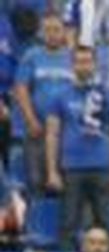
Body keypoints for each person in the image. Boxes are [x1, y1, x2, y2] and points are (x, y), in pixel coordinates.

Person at [46, 45, 109, 250]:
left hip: (102, 167)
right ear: (72, 65)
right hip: (72, 168)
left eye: (87, 61)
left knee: (107, 226)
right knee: (69, 225)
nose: (84, 66)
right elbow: (52, 134)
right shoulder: (59, 95)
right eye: (79, 61)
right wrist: (52, 171)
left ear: (95, 64)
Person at [13, 12, 75, 191]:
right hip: (37, 131)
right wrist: (31, 120)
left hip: (65, 134)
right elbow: (21, 89)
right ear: (41, 32)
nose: (52, 34)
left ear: (64, 32)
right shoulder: (31, 56)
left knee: (66, 185)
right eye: (47, 30)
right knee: (36, 181)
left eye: (56, 30)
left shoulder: (72, 58)